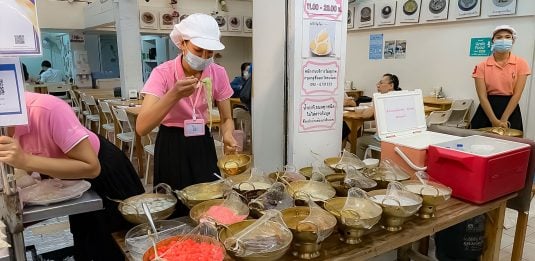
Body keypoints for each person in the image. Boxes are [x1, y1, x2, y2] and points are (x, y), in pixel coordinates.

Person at [0, 92, 145, 261]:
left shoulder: (48, 109)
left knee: (117, 243)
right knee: (85, 239)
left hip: (105, 176)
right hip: (70, 179)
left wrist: (25, 160)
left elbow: (91, 168)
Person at [136, 13, 237, 216]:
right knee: (174, 204)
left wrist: (227, 134)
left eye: (210, 53)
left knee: (208, 203)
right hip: (171, 143)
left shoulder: (217, 73)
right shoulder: (162, 73)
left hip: (202, 142)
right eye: (198, 50)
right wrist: (174, 94)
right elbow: (142, 127)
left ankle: (207, 242)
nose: (204, 58)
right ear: (182, 44)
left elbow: (227, 118)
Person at [470, 25, 531, 131]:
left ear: (513, 41)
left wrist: (503, 120)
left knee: (510, 145)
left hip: (510, 110)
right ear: (493, 41)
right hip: (487, 110)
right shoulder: (481, 66)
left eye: (508, 37)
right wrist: (494, 120)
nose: (503, 40)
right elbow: (482, 96)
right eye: (499, 37)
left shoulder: (521, 64)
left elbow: (517, 94)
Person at [356, 73, 401, 159]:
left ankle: (358, 169)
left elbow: (365, 115)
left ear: (391, 85)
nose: (378, 85)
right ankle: (377, 163)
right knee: (374, 136)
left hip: (386, 140)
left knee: (360, 141)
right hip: (401, 139)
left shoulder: (381, 99)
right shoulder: (401, 96)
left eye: (381, 83)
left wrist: (374, 103)